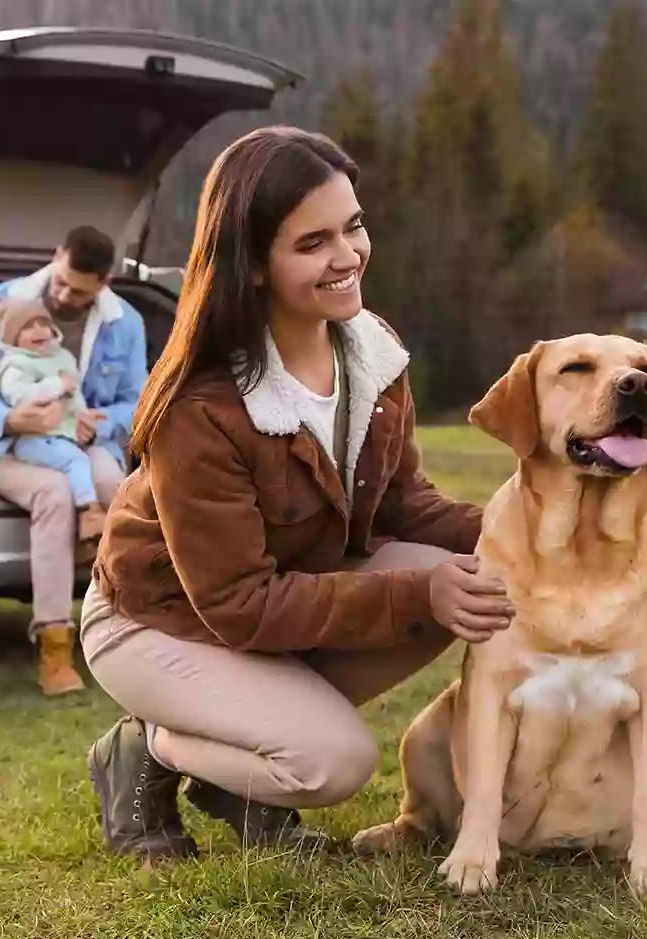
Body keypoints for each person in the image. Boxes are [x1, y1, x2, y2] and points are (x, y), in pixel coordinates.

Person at [81, 126, 517, 861]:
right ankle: (149, 745)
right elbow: (237, 604)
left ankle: (247, 749)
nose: (347, 256)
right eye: (312, 243)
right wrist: (418, 594)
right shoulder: (202, 408)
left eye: (353, 227)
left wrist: (533, 534)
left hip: (272, 604)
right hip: (158, 622)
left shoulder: (370, 348)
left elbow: (404, 504)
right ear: (252, 264)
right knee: (330, 761)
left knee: (476, 581)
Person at [0, 225, 148, 698]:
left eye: (79, 290)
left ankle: (136, 629)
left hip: (88, 446)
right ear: (56, 257)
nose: (64, 294)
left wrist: (101, 422)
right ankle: (55, 646)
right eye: (61, 281)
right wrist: (9, 418)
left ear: (104, 283)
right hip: (17, 449)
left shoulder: (124, 323)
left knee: (119, 489)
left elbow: (137, 398)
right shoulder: (3, 301)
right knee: (55, 493)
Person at [0, 296, 108, 547]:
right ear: (13, 338)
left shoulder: (62, 357)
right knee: (76, 461)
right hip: (34, 440)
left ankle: (91, 535)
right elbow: (21, 397)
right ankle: (89, 513)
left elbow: (74, 397)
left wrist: (83, 415)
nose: (38, 331)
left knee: (86, 464)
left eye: (42, 323)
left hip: (61, 436)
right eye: (27, 327)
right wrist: (57, 385)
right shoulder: (14, 366)